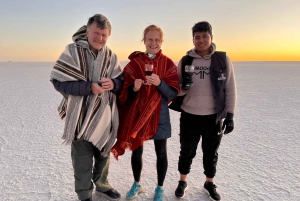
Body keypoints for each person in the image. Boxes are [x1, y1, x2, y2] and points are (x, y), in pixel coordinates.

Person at [50, 14, 123, 201]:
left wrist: (113, 84)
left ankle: (102, 185)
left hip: (104, 116)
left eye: (104, 35)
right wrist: (89, 87)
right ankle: (84, 195)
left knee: (103, 154)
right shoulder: (72, 51)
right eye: (96, 33)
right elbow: (59, 82)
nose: (100, 38)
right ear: (87, 31)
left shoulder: (111, 56)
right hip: (79, 116)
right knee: (81, 159)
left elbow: (121, 82)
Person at [110, 25, 180, 201]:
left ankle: (160, 188)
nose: (153, 43)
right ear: (144, 40)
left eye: (157, 39)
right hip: (139, 114)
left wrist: (160, 83)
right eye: (150, 39)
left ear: (161, 41)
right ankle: (137, 184)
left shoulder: (168, 64)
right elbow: (124, 92)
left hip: (160, 115)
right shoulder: (135, 64)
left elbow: (173, 93)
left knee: (161, 153)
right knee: (136, 151)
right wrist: (134, 87)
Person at [173, 21, 237, 201]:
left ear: (211, 37)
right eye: (197, 37)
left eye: (204, 37)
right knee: (186, 151)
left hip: (213, 116)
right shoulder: (186, 60)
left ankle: (209, 182)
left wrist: (230, 115)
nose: (200, 40)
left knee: (211, 152)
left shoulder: (222, 59)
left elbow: (230, 88)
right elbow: (175, 88)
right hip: (189, 115)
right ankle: (182, 181)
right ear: (193, 39)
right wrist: (182, 88)